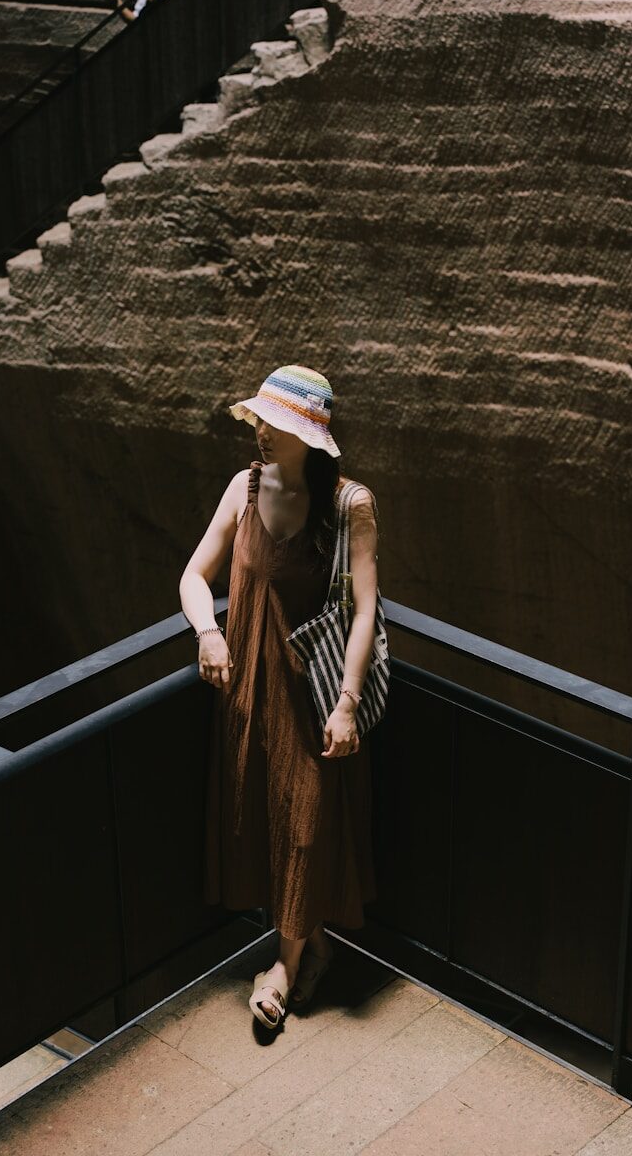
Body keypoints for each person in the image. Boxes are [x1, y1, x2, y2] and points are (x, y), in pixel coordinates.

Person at [178, 365, 380, 1031]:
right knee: (264, 820)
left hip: (311, 696)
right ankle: (311, 949)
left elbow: (363, 611)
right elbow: (193, 574)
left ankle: (283, 969)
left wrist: (348, 702)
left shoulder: (350, 504)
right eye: (260, 421)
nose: (260, 433)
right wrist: (208, 632)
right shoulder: (244, 487)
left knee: (303, 825)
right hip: (248, 692)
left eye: (274, 425)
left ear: (306, 437)